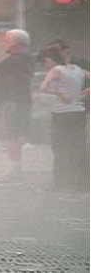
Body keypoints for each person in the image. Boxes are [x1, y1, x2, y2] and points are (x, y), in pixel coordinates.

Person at [37, 47, 89, 191]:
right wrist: (84, 91)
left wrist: (60, 94)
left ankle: (62, 183)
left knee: (61, 148)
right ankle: (82, 183)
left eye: (44, 63)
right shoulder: (78, 69)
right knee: (78, 147)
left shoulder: (56, 70)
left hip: (61, 114)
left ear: (49, 60)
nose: (45, 66)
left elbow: (42, 87)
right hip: (78, 113)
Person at [0, 29, 35, 183]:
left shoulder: (18, 59)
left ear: (15, 43)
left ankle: (15, 171)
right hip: (15, 101)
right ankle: (15, 168)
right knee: (14, 134)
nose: (4, 44)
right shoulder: (22, 59)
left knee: (10, 134)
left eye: (6, 40)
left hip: (14, 102)